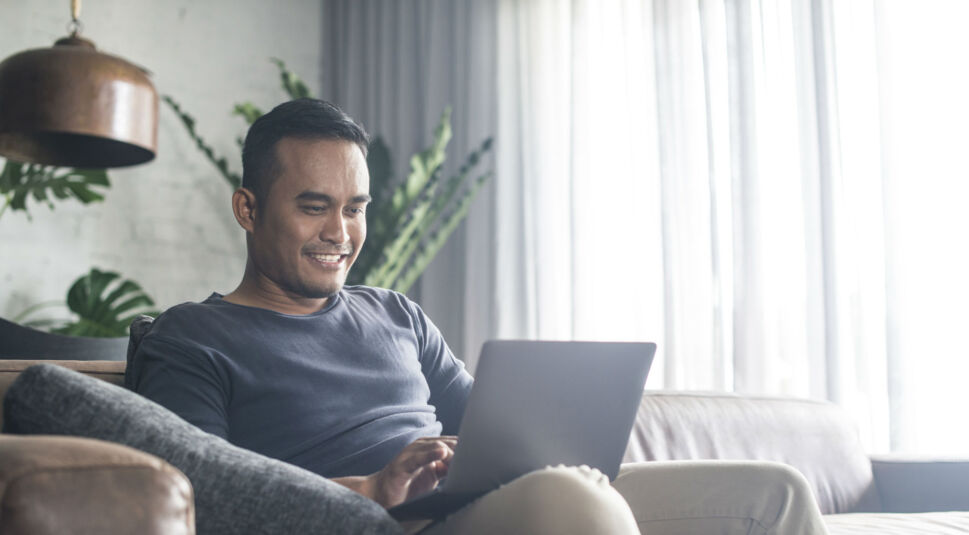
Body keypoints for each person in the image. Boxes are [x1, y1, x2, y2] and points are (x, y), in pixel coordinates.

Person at [128, 98, 828, 534]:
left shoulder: (395, 314)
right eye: (314, 205)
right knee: (568, 501)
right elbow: (199, 496)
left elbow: (495, 430)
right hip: (377, 520)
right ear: (248, 208)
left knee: (771, 490)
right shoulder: (193, 336)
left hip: (492, 503)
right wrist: (371, 488)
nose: (340, 231)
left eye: (355, 207)